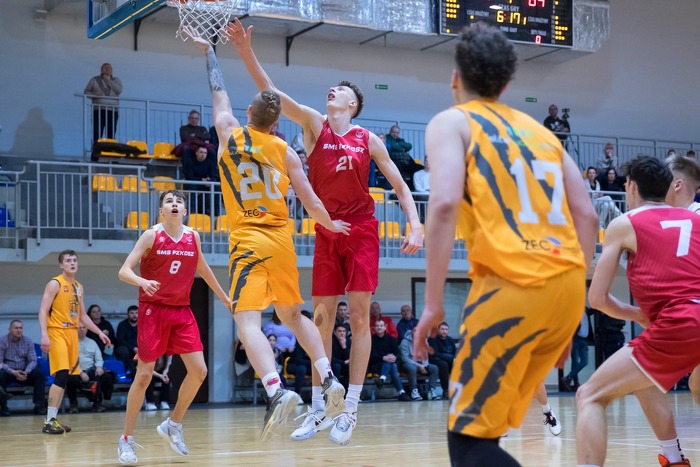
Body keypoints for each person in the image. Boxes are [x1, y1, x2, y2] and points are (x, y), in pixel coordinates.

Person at [227, 17, 423, 445]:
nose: (332, 90)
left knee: (359, 317)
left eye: (341, 90)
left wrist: (415, 223)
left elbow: (399, 184)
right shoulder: (314, 124)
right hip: (326, 230)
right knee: (320, 319)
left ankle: (350, 409)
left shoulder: (368, 140)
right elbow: (272, 95)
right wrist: (244, 51)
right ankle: (319, 408)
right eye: (332, 88)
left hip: (361, 230)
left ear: (352, 104)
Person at [413, 22, 598, 467]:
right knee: (486, 435)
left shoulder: (452, 122)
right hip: (567, 285)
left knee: (469, 443)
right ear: (507, 83)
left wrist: (433, 304)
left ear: (456, 77)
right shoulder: (542, 133)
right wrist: (570, 311)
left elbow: (443, 204)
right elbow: (588, 216)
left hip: (511, 285)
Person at [186, 26, 349, 442]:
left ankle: (276, 390)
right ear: (276, 124)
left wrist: (209, 51)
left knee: (247, 321)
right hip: (281, 242)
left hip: (248, 239)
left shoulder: (228, 131)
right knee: (293, 315)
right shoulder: (287, 152)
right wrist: (331, 224)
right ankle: (329, 376)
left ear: (248, 113)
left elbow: (218, 93)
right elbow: (311, 203)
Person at [577, 156, 700, 467]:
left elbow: (598, 298)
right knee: (644, 380)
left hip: (680, 323)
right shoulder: (695, 220)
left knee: (590, 395)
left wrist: (636, 314)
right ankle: (673, 458)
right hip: (689, 318)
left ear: (631, 187)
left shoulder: (625, 223)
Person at [116, 189, 231, 464]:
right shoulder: (151, 235)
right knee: (144, 376)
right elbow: (124, 270)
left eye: (179, 201)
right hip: (153, 310)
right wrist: (142, 281)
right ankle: (126, 440)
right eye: (169, 201)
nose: (175, 204)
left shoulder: (193, 236)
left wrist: (225, 298)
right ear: (161, 211)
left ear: (185, 211)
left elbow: (203, 269)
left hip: (181, 310)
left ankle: (173, 424)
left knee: (199, 371)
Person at [39, 250, 111, 434]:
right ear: (61, 265)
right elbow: (43, 310)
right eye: (68, 260)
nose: (72, 263)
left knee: (67, 378)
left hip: (72, 333)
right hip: (57, 332)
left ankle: (53, 419)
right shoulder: (55, 283)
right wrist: (44, 334)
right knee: (62, 375)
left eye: (74, 260)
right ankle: (49, 421)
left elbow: (83, 316)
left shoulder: (78, 286)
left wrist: (99, 333)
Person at [0, 320, 46, 416]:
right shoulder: (3, 341)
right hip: (9, 372)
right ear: (10, 329)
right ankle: (3, 408)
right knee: (1, 374)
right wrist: (13, 372)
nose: (19, 330)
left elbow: (33, 360)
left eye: (21, 328)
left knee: (39, 374)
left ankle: (39, 406)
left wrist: (26, 372)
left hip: (24, 372)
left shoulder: (28, 341)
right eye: (16, 328)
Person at [66, 323, 114, 413]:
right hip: (76, 370)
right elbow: (69, 360)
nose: (82, 329)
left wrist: (99, 367)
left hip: (91, 369)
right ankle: (73, 403)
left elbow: (98, 358)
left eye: (84, 327)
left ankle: (97, 403)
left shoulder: (92, 342)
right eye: (79, 327)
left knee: (105, 377)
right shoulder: (70, 343)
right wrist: (80, 372)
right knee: (71, 379)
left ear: (87, 329)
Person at [84, 63, 122, 143]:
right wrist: (94, 95)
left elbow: (119, 90)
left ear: (111, 70)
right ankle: (96, 149)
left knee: (111, 133)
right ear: (101, 70)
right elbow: (86, 91)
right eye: (105, 67)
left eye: (109, 68)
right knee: (97, 132)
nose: (107, 69)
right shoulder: (94, 80)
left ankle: (110, 150)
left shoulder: (116, 80)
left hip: (112, 111)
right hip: (98, 110)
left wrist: (108, 81)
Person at [399, 327, 440, 401]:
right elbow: (405, 358)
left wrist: (424, 365)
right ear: (412, 332)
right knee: (412, 368)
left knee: (434, 368)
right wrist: (419, 366)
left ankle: (431, 390)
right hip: (408, 363)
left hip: (421, 364)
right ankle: (414, 391)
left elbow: (425, 357)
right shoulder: (405, 342)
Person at [182, 145, 220, 216]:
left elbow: (214, 176)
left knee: (216, 187)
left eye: (205, 153)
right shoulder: (190, 162)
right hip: (193, 183)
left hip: (205, 184)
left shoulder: (210, 163)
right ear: (196, 153)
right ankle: (192, 211)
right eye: (201, 152)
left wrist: (209, 181)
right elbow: (189, 177)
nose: (203, 154)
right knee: (193, 186)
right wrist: (201, 180)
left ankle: (216, 212)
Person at [561, 309, 592, 392]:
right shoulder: (575, 311)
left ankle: (568, 377)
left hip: (584, 340)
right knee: (575, 361)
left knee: (584, 361)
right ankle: (575, 384)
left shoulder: (586, 312)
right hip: (575, 339)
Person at [427, 321, 456, 399]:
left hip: (449, 360)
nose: (444, 331)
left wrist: (455, 359)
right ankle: (446, 390)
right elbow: (435, 353)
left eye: (446, 329)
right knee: (444, 365)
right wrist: (451, 358)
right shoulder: (432, 339)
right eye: (442, 329)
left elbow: (455, 352)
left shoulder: (450, 340)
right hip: (436, 360)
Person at [115, 305, 138, 376]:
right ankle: (131, 370)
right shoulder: (122, 325)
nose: (134, 315)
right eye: (132, 313)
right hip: (126, 348)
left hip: (139, 348)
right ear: (128, 314)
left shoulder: (143, 325)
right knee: (123, 351)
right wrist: (133, 348)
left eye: (136, 313)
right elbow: (120, 341)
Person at [331, 323, 351, 389]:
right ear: (335, 332)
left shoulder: (348, 341)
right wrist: (343, 362)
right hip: (333, 364)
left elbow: (349, 357)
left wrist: (344, 347)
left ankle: (346, 390)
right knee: (337, 366)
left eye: (344, 331)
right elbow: (330, 358)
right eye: (339, 331)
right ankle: (335, 389)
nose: (342, 333)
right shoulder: (331, 341)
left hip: (344, 365)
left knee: (351, 368)